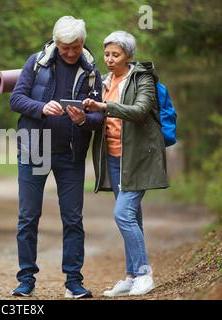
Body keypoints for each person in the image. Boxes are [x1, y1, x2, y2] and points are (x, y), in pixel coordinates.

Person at [9, 16, 104, 298]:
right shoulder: (36, 62)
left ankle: (74, 282)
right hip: (34, 150)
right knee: (28, 217)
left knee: (73, 220)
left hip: (70, 155)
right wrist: (41, 107)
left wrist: (83, 119)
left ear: (82, 42)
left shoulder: (91, 71)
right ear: (56, 42)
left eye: (75, 47)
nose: (71, 53)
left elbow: (100, 116)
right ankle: (26, 279)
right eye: (65, 48)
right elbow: (16, 99)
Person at [83, 31, 169, 297]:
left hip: (138, 156)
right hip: (114, 157)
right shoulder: (104, 80)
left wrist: (105, 107)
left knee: (123, 214)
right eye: (106, 54)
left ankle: (144, 273)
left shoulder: (142, 78)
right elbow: (100, 116)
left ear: (128, 56)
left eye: (115, 54)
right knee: (132, 217)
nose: (109, 59)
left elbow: (141, 110)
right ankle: (131, 276)